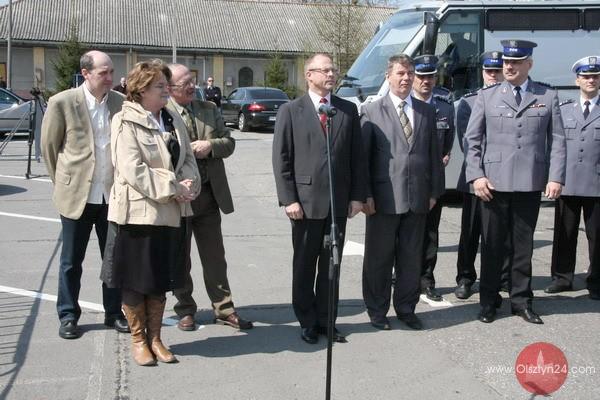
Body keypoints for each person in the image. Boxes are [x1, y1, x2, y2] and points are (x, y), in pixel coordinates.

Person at [102, 59, 200, 366]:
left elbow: (187, 158)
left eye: (167, 85)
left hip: (170, 213)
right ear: (141, 89)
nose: (166, 90)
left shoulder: (172, 117)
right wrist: (174, 186)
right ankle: (138, 341)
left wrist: (190, 183)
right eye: (160, 86)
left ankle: (156, 339)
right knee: (135, 281)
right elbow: (132, 169)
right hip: (137, 215)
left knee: (160, 279)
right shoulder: (124, 120)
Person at [465, 40, 566, 324]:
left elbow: (558, 141)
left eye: (515, 62)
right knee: (492, 246)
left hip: (529, 183)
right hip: (493, 184)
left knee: (523, 247)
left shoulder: (547, 96)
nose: (508, 67)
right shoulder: (487, 96)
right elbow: (472, 140)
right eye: (506, 62)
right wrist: (476, 175)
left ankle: (521, 301)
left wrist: (555, 176)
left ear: (529, 64)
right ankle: (488, 302)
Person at [272, 52, 365, 344]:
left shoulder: (347, 109)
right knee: (304, 265)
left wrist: (357, 196)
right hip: (305, 202)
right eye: (324, 70)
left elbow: (357, 157)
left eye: (333, 70)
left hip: (338, 203)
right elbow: (281, 158)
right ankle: (307, 322)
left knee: (331, 266)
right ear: (308, 75)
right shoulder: (291, 110)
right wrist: (289, 199)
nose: (330, 74)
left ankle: (327, 321)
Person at [41, 50, 129, 340]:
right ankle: (68, 315)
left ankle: (113, 313)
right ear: (86, 73)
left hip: (110, 196)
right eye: (104, 73)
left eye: (111, 72)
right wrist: (64, 182)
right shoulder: (62, 102)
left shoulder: (120, 103)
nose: (110, 78)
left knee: (113, 259)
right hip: (77, 195)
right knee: (71, 261)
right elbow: (49, 148)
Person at [166, 63, 253, 331]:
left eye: (192, 81)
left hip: (209, 196)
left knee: (215, 257)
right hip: (178, 199)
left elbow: (229, 142)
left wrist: (210, 146)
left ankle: (224, 308)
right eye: (185, 84)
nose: (192, 86)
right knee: (180, 258)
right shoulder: (161, 112)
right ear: (169, 88)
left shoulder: (209, 109)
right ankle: (185, 309)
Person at [362, 54, 443, 331]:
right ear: (388, 77)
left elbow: (434, 156)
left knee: (411, 259)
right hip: (383, 200)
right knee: (379, 259)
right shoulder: (372, 111)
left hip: (418, 198)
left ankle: (406, 309)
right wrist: (365, 195)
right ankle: (377, 311)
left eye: (410, 73)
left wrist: (434, 192)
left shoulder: (426, 111)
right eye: (400, 73)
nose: (406, 78)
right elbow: (363, 159)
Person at [454, 51, 511, 299]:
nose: (494, 75)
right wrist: (480, 175)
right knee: (470, 232)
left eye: (498, 71)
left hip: (505, 178)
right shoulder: (469, 102)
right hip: (476, 178)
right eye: (489, 71)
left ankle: (502, 278)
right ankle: (465, 278)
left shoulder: (513, 100)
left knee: (503, 234)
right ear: (483, 72)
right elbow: (467, 143)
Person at [546, 56, 600, 300]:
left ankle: (596, 281)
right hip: (567, 182)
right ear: (577, 80)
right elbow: (554, 145)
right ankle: (562, 278)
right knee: (564, 234)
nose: (591, 80)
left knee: (596, 236)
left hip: (596, 183)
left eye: (595, 76)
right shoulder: (564, 109)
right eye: (586, 76)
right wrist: (553, 177)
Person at [410, 55, 455, 302]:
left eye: (430, 76)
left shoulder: (445, 107)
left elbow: (446, 145)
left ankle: (426, 280)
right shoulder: (405, 104)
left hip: (431, 181)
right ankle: (403, 274)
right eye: (421, 76)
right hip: (406, 181)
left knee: (430, 234)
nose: (426, 81)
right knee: (403, 232)